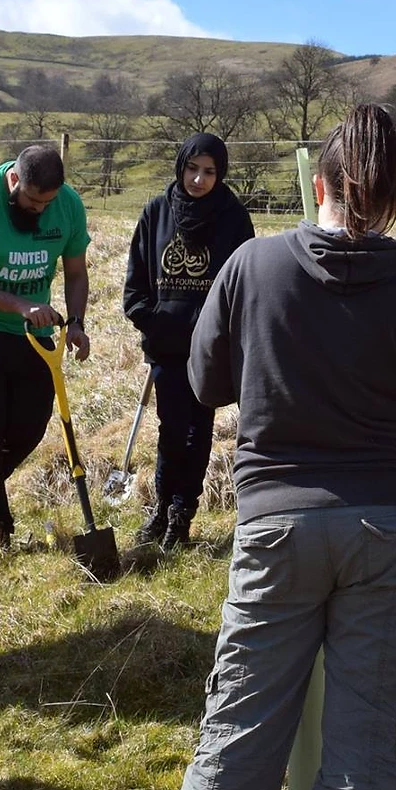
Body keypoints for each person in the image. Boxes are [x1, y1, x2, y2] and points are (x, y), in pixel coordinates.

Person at [124, 104, 396, 790]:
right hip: (389, 525)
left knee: (242, 715)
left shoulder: (252, 265)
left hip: (276, 522)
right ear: (394, 200)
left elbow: (206, 384)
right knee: (370, 729)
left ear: (318, 182)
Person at [0, 143, 91, 544]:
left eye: (48, 202)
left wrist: (75, 323)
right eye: (32, 200)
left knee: (28, 429)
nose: (40, 210)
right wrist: (22, 304)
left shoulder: (69, 206)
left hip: (33, 335)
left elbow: (76, 272)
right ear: (13, 181)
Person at [122, 132, 256, 549]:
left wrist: (218, 332)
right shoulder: (156, 212)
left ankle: (182, 514)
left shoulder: (233, 219)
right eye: (192, 169)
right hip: (166, 346)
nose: (198, 179)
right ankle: (160, 508)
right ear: (181, 166)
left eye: (209, 172)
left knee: (199, 431)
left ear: (221, 174)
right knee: (171, 429)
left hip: (211, 349)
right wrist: (155, 322)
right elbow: (135, 288)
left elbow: (245, 285)